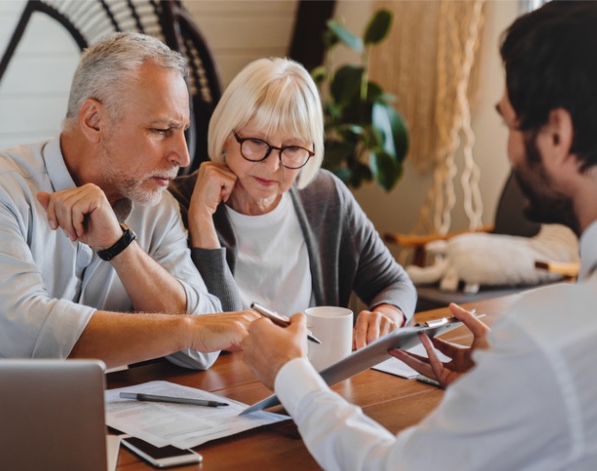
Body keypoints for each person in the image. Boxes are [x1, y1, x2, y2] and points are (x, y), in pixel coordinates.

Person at [242, 2, 597, 469]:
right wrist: (496, 386)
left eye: (509, 124)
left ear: (557, 133)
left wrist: (290, 375)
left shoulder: (551, 337)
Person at [0, 32, 259, 370]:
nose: (182, 155)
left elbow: (203, 350)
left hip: (108, 416)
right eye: (160, 130)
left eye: (182, 130)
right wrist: (186, 329)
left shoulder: (158, 208)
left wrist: (120, 247)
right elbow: (31, 338)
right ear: (94, 120)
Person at [169, 57, 416, 349]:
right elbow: (214, 329)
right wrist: (201, 219)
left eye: (293, 148)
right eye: (257, 142)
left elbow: (396, 284)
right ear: (226, 135)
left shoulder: (324, 195)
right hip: (223, 384)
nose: (273, 165)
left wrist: (387, 313)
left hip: (311, 377)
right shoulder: (178, 203)